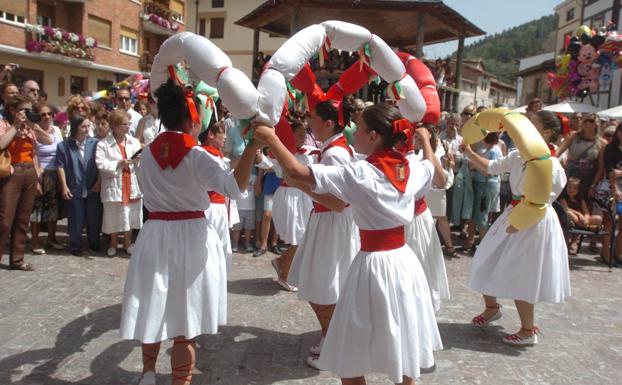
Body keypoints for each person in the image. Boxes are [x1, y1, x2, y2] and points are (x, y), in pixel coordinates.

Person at [253, 103, 444, 385]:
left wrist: (271, 138)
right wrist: (426, 141)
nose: (353, 133)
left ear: (373, 136)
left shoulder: (361, 173)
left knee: (350, 351)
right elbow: (433, 169)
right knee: (403, 341)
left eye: (360, 128)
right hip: (404, 262)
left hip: (373, 264)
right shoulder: (409, 170)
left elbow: (295, 172)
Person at [119, 79, 257, 385]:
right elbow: (234, 187)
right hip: (191, 235)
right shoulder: (197, 156)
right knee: (186, 313)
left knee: (154, 302)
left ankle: (148, 373)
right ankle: (179, 381)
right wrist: (254, 147)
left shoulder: (145, 154)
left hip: (155, 232)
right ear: (190, 119)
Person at [464, 113, 570, 346]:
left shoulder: (551, 165)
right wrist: (470, 153)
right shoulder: (518, 155)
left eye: (534, 125)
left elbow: (544, 197)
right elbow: (492, 167)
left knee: (523, 272)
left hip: (534, 220)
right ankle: (492, 308)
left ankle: (527, 330)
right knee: (485, 256)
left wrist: (524, 217)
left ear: (547, 133)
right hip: (512, 213)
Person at [285, 101, 359, 369]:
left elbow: (340, 202)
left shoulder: (335, 155)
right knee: (321, 284)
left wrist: (301, 185)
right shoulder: (331, 149)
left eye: (314, 119)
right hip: (326, 221)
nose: (309, 123)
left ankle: (334, 340)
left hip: (332, 223)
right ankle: (333, 336)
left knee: (325, 286)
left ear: (329, 123)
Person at [0, 95, 53, 270]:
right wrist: (15, 125)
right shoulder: (4, 125)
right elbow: (1, 144)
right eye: (25, 110)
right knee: (5, 220)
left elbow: (48, 140)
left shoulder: (30, 129)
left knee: (23, 220)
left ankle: (17, 259)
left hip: (29, 172)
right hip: (11, 173)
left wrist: (32, 125)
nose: (27, 113)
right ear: (13, 110)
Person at [405, 125, 450, 312]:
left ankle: (422, 312)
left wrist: (425, 142)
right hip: (396, 222)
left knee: (422, 266)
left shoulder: (424, 157)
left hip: (417, 220)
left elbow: (441, 181)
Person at [269, 120, 316, 291]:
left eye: (305, 134)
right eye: (299, 135)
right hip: (289, 195)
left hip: (303, 196)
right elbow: (268, 163)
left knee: (303, 237)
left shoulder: (309, 153)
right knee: (297, 237)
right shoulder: (281, 154)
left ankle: (281, 263)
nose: (304, 138)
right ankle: (284, 274)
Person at [96, 109, 142, 257]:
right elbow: (100, 163)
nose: (127, 127)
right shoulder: (103, 144)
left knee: (129, 214)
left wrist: (138, 160)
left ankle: (128, 244)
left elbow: (140, 161)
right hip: (115, 182)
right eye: (124, 124)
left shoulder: (134, 141)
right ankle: (113, 243)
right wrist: (118, 163)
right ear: (115, 126)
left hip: (131, 181)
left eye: (128, 124)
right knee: (114, 214)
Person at [56, 115, 102, 256]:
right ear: (76, 127)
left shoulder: (95, 143)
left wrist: (99, 182)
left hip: (92, 185)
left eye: (89, 126)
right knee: (76, 218)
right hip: (74, 186)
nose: (87, 129)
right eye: (84, 126)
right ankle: (75, 245)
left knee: (94, 217)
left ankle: (94, 242)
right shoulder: (64, 146)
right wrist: (64, 186)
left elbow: (100, 164)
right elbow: (60, 166)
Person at [29, 102, 64, 254]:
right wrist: (37, 174)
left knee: (52, 207)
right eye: (43, 114)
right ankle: (35, 241)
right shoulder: (34, 132)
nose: (46, 117)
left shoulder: (56, 130)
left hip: (54, 173)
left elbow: (61, 150)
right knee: (37, 207)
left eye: (49, 114)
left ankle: (51, 238)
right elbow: (32, 154)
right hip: (40, 173)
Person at [467, 132, 502, 249]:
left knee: (482, 215)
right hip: (483, 184)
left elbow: (488, 172)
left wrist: (475, 165)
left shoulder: (493, 152)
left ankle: (482, 245)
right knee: (478, 214)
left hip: (485, 186)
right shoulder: (491, 150)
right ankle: (473, 241)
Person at [593, 123, 622, 264]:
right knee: (609, 222)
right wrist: (615, 188)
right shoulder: (610, 148)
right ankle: (606, 254)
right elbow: (610, 170)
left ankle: (617, 253)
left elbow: (618, 172)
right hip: (611, 188)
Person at [557, 112, 606, 195]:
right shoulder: (573, 136)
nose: (588, 123)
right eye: (586, 121)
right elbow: (559, 150)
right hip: (570, 176)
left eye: (591, 121)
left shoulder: (602, 143)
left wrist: (593, 185)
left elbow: (601, 167)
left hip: (588, 178)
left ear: (596, 125)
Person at [560, 177, 602, 255]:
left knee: (598, 218)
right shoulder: (563, 199)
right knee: (569, 214)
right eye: (570, 187)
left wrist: (586, 218)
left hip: (580, 221)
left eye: (575, 188)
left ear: (578, 190)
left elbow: (586, 212)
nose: (571, 190)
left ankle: (585, 227)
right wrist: (579, 214)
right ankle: (588, 228)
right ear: (566, 187)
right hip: (570, 220)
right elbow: (566, 209)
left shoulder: (581, 200)